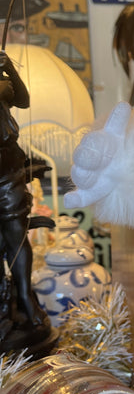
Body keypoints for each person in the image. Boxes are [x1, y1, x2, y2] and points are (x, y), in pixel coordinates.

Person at [0, 50, 55, 356]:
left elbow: (23, 100)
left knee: (16, 237)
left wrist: (9, 69)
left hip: (7, 169)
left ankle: (24, 296)